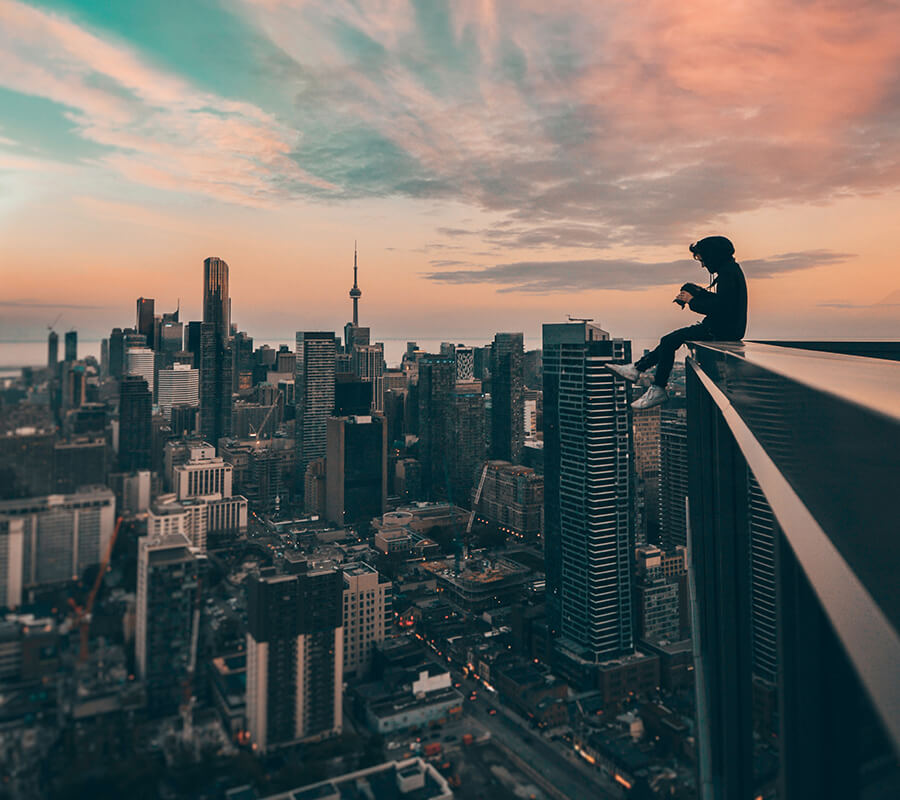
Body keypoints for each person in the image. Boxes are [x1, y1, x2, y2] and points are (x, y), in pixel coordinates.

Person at [608, 235, 747, 410]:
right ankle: (637, 369)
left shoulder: (728, 274)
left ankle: (655, 385)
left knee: (669, 340)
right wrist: (692, 291)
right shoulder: (730, 270)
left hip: (721, 331)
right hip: (721, 328)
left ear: (713, 256)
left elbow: (722, 307)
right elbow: (724, 303)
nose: (703, 265)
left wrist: (692, 301)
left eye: (703, 259)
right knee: (671, 337)